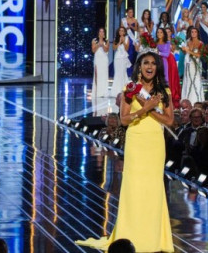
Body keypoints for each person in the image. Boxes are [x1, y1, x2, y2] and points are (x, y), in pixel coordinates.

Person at [77, 52, 174, 252]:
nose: (149, 66)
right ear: (139, 66)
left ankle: (155, 237)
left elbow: (170, 121)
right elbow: (124, 120)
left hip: (155, 143)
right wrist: (145, 108)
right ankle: (131, 234)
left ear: (157, 67)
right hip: (136, 142)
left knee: (154, 188)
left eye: (153, 63)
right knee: (135, 188)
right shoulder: (130, 89)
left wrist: (151, 109)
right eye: (145, 62)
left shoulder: (164, 91)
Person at [156, 28, 181, 106]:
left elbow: (166, 54)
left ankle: (167, 100)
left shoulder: (167, 43)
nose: (159, 34)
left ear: (164, 34)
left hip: (164, 63)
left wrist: (158, 52)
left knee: (165, 80)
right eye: (158, 32)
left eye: (161, 32)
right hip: (156, 63)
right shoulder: (154, 43)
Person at [181, 27, 204, 103]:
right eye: (192, 32)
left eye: (195, 32)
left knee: (196, 81)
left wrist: (189, 51)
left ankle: (197, 101)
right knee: (188, 82)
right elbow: (185, 53)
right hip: (188, 64)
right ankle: (187, 101)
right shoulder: (187, 42)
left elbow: (199, 55)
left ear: (197, 33)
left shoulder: (201, 43)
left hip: (196, 65)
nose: (193, 33)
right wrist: (184, 50)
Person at [111, 27, 131, 98]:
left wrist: (124, 42)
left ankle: (123, 90)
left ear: (125, 32)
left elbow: (127, 49)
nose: (121, 32)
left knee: (123, 73)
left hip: (123, 57)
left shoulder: (127, 38)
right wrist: (119, 42)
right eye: (120, 30)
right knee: (117, 73)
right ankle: (116, 91)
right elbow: (114, 48)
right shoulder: (116, 38)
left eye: (123, 30)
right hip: (117, 58)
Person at [91, 28, 110, 102]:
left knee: (104, 75)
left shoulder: (106, 41)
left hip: (104, 59)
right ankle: (97, 92)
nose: (101, 33)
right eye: (100, 31)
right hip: (97, 59)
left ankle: (104, 92)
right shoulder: (94, 40)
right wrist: (99, 45)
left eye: (103, 31)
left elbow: (106, 50)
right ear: (98, 33)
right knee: (97, 75)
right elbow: (93, 50)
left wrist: (103, 45)